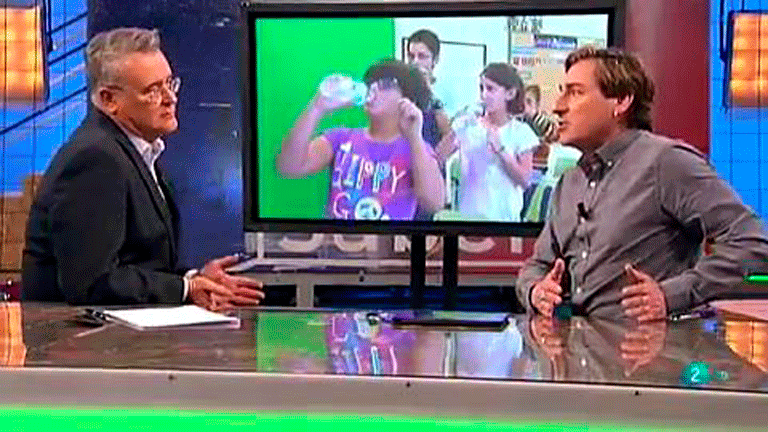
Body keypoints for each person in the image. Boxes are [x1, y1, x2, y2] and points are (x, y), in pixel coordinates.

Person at [516, 46, 768, 321]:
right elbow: (537, 266)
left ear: (621, 101)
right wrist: (536, 290)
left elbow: (752, 241)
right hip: (582, 344)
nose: (558, 106)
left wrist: (671, 295)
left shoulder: (666, 163)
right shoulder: (569, 183)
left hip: (657, 345)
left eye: (575, 92)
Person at [22, 28, 265, 310]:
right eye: (152, 90)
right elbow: (92, 283)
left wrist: (193, 279)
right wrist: (185, 289)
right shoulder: (96, 159)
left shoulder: (136, 151)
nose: (170, 98)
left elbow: (139, 263)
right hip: (74, 335)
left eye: (169, 83)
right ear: (109, 100)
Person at [277, 59, 445, 221]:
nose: (373, 88)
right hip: (336, 240)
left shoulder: (417, 149)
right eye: (371, 83)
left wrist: (415, 138)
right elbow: (288, 167)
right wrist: (316, 108)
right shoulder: (341, 138)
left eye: (385, 85)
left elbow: (434, 204)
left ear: (408, 101)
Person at [452, 63, 539, 222]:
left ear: (510, 93)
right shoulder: (469, 125)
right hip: (467, 218)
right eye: (482, 88)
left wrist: (501, 150)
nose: (484, 95)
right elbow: (439, 158)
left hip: (504, 220)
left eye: (491, 89)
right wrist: (456, 129)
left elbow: (525, 181)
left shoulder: (521, 132)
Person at [406, 29, 452, 150]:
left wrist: (428, 90)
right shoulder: (401, 89)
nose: (415, 62)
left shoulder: (443, 91)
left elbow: (449, 134)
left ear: (435, 60)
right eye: (411, 56)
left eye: (422, 56)